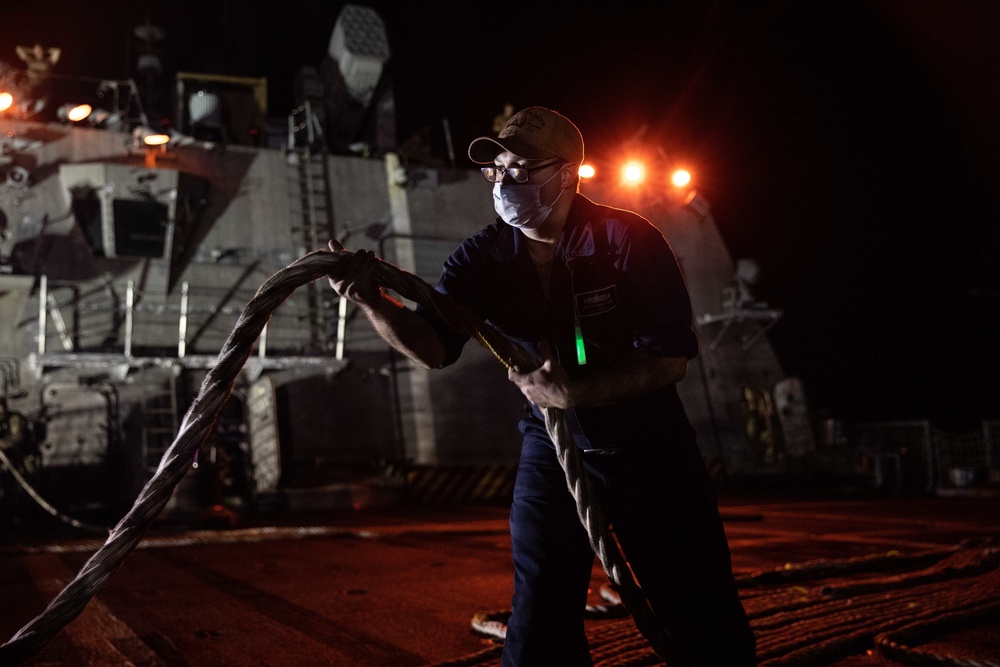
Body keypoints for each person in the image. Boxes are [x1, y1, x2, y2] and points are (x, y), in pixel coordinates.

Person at [327, 106, 756, 666]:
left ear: (569, 175)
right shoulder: (482, 258)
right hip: (552, 447)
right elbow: (434, 347)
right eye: (498, 169)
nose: (505, 181)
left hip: (650, 448)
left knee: (699, 613)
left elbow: (668, 361)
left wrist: (575, 394)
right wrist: (368, 301)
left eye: (523, 169)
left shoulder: (629, 241)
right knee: (538, 623)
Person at [0, 396, 32, 524]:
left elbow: (17, 438)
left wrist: (1, 444)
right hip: (6, 463)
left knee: (23, 488)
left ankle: (25, 515)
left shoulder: (15, 419)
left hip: (21, 460)